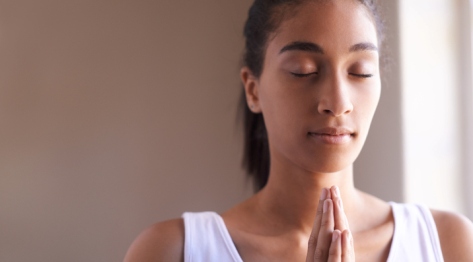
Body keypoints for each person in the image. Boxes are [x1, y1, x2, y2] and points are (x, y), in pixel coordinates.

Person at [124, 0, 473, 261]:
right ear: (253, 89)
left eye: (360, 71)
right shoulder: (174, 251)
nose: (337, 102)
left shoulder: (448, 243)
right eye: (304, 71)